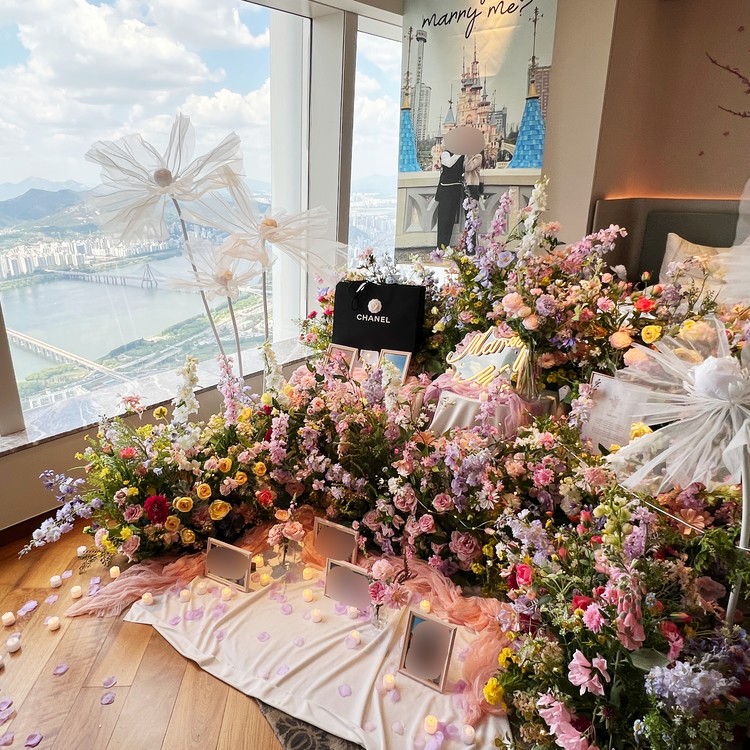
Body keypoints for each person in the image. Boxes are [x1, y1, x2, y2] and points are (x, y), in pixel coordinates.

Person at [435, 149, 464, 249]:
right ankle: (440, 247)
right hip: (445, 190)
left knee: (451, 219)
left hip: (456, 189)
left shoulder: (462, 155)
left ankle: (446, 245)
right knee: (444, 219)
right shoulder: (445, 153)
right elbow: (449, 163)